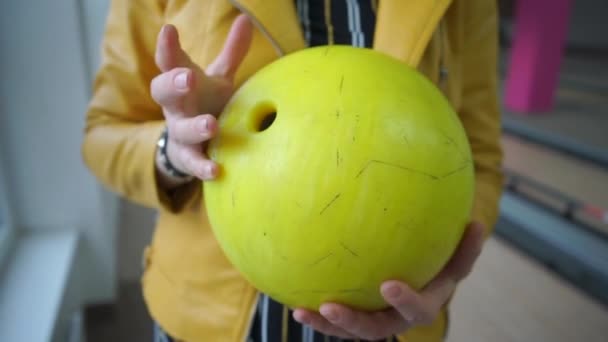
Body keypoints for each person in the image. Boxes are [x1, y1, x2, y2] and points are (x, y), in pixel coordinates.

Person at [82, 0, 503, 341]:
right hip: (207, 315)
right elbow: (103, 134)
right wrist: (173, 150)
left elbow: (479, 154)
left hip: (395, 311)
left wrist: (446, 269)